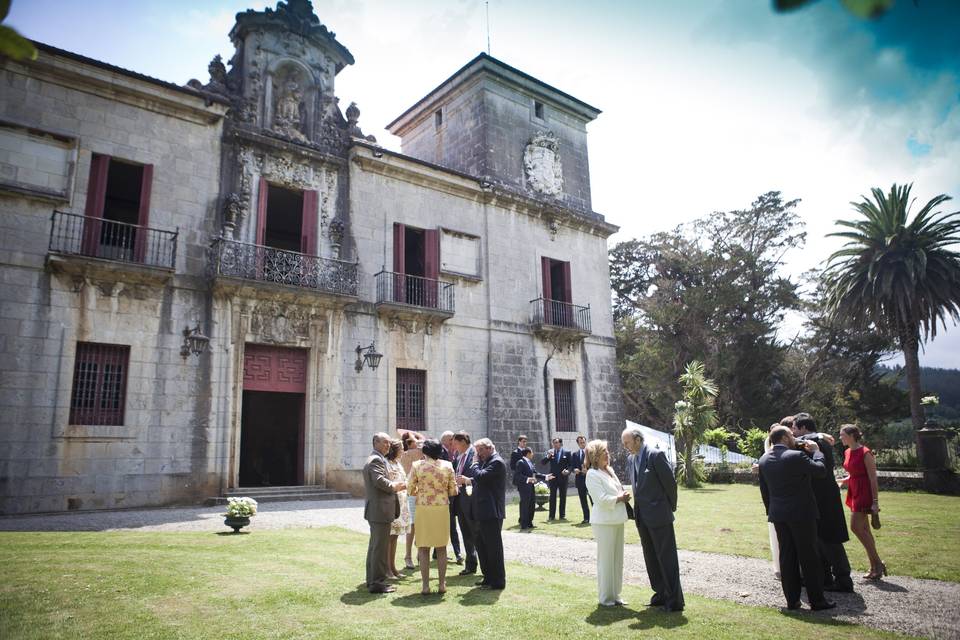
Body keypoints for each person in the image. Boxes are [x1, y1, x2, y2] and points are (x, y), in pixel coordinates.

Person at [758, 425, 836, 611]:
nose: (794, 438)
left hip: (779, 514)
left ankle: (792, 600)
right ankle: (817, 600)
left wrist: (772, 510)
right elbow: (820, 470)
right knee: (809, 556)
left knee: (787, 557)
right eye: (792, 435)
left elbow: (764, 491)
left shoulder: (764, 459)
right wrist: (817, 452)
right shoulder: (795, 456)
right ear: (785, 438)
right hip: (802, 512)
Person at [621, 426, 684, 613]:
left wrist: (668, 508)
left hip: (660, 516)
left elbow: (670, 485)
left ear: (637, 440)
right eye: (624, 443)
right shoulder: (631, 459)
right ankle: (660, 594)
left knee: (667, 558)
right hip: (642, 518)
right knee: (651, 559)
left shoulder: (656, 455)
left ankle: (674, 600)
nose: (625, 447)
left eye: (627, 443)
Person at [792, 413, 854, 592]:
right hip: (823, 496)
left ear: (803, 428)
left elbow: (794, 441)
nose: (793, 433)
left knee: (830, 540)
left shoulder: (813, 441)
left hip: (822, 498)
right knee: (820, 539)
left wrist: (816, 435)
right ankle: (826, 577)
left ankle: (842, 579)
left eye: (795, 429)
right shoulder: (819, 440)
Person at [407, 439, 459, 595]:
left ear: (425, 452)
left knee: (423, 547)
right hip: (441, 508)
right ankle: (442, 584)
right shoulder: (448, 466)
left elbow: (410, 488)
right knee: (441, 547)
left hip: (423, 507)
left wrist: (421, 492)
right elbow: (453, 491)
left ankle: (425, 586)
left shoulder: (417, 465)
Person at [584, 439, 631, 606]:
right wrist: (619, 498)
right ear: (596, 455)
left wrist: (623, 493)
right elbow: (601, 500)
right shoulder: (592, 474)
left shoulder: (609, 470)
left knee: (617, 559)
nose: (608, 454)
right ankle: (606, 597)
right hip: (604, 522)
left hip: (617, 519)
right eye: (604, 451)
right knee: (606, 560)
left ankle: (616, 594)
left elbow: (617, 489)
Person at [837, 424, 886, 580]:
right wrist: (843, 480)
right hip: (854, 491)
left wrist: (875, 502)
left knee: (856, 527)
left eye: (842, 435)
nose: (840, 437)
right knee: (865, 530)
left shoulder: (865, 453)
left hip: (864, 494)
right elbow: (854, 474)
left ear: (852, 435)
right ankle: (875, 566)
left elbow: (872, 478)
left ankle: (877, 563)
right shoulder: (847, 452)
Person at [458, 437, 507, 590]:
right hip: (481, 511)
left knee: (493, 548)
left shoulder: (496, 462)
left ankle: (498, 580)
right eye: (477, 451)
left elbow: (482, 476)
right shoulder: (488, 461)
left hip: (491, 512)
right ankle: (488, 577)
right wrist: (468, 480)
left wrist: (474, 463)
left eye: (480, 450)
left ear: (489, 448)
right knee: (482, 546)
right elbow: (480, 478)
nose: (478, 454)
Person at [363, 432, 406, 594]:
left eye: (389, 443)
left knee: (376, 547)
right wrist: (396, 486)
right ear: (375, 443)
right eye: (384, 443)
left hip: (378, 510)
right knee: (380, 549)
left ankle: (372, 580)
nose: (388, 445)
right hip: (379, 510)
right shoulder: (375, 459)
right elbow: (380, 481)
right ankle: (378, 583)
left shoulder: (377, 458)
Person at [451, 431, 479, 575]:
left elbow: (479, 475)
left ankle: (486, 565)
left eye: (455, 443)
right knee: (466, 532)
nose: (453, 446)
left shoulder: (475, 453)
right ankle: (471, 564)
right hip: (460, 500)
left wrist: (466, 479)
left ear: (462, 442)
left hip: (473, 499)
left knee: (476, 533)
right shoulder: (459, 456)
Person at [385, 438, 411, 579]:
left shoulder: (398, 464)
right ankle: (387, 569)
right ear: (394, 450)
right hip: (392, 502)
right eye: (401, 449)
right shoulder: (387, 464)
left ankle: (393, 567)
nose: (403, 451)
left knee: (394, 537)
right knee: (389, 537)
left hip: (401, 502)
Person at [399, 431, 425, 569]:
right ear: (409, 443)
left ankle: (418, 553)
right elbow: (424, 441)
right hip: (413, 494)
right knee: (413, 526)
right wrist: (417, 437)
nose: (419, 442)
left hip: (422, 493)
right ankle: (409, 555)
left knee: (420, 525)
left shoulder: (415, 453)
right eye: (415, 440)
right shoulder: (410, 454)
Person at [512, 447, 552, 530]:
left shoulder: (529, 462)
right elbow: (517, 476)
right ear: (528, 454)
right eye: (532, 453)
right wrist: (528, 479)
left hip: (530, 487)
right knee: (525, 505)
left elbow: (535, 473)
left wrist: (546, 477)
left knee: (531, 505)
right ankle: (524, 524)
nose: (533, 454)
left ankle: (529, 522)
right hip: (524, 487)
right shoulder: (520, 462)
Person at [439, 430, 463, 564]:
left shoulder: (454, 454)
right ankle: (458, 553)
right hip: (445, 495)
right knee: (450, 525)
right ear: (449, 441)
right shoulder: (442, 454)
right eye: (452, 441)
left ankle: (439, 553)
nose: (454, 443)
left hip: (452, 494)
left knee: (449, 524)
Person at [541, 437, 572, 520]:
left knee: (563, 497)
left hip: (563, 478)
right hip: (553, 478)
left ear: (561, 444)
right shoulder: (550, 452)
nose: (555, 444)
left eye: (556, 442)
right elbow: (543, 462)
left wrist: (568, 471)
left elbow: (571, 465)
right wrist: (548, 457)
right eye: (553, 443)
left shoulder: (567, 453)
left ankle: (562, 515)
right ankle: (551, 516)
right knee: (552, 497)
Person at [571, 434, 592, 523]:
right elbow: (572, 466)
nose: (583, 444)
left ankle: (596, 517)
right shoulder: (575, 454)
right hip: (580, 481)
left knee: (593, 500)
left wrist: (588, 471)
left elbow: (595, 465)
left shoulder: (591, 453)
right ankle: (586, 518)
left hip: (591, 480)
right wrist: (574, 470)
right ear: (578, 444)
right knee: (583, 501)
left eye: (584, 442)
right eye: (581, 443)